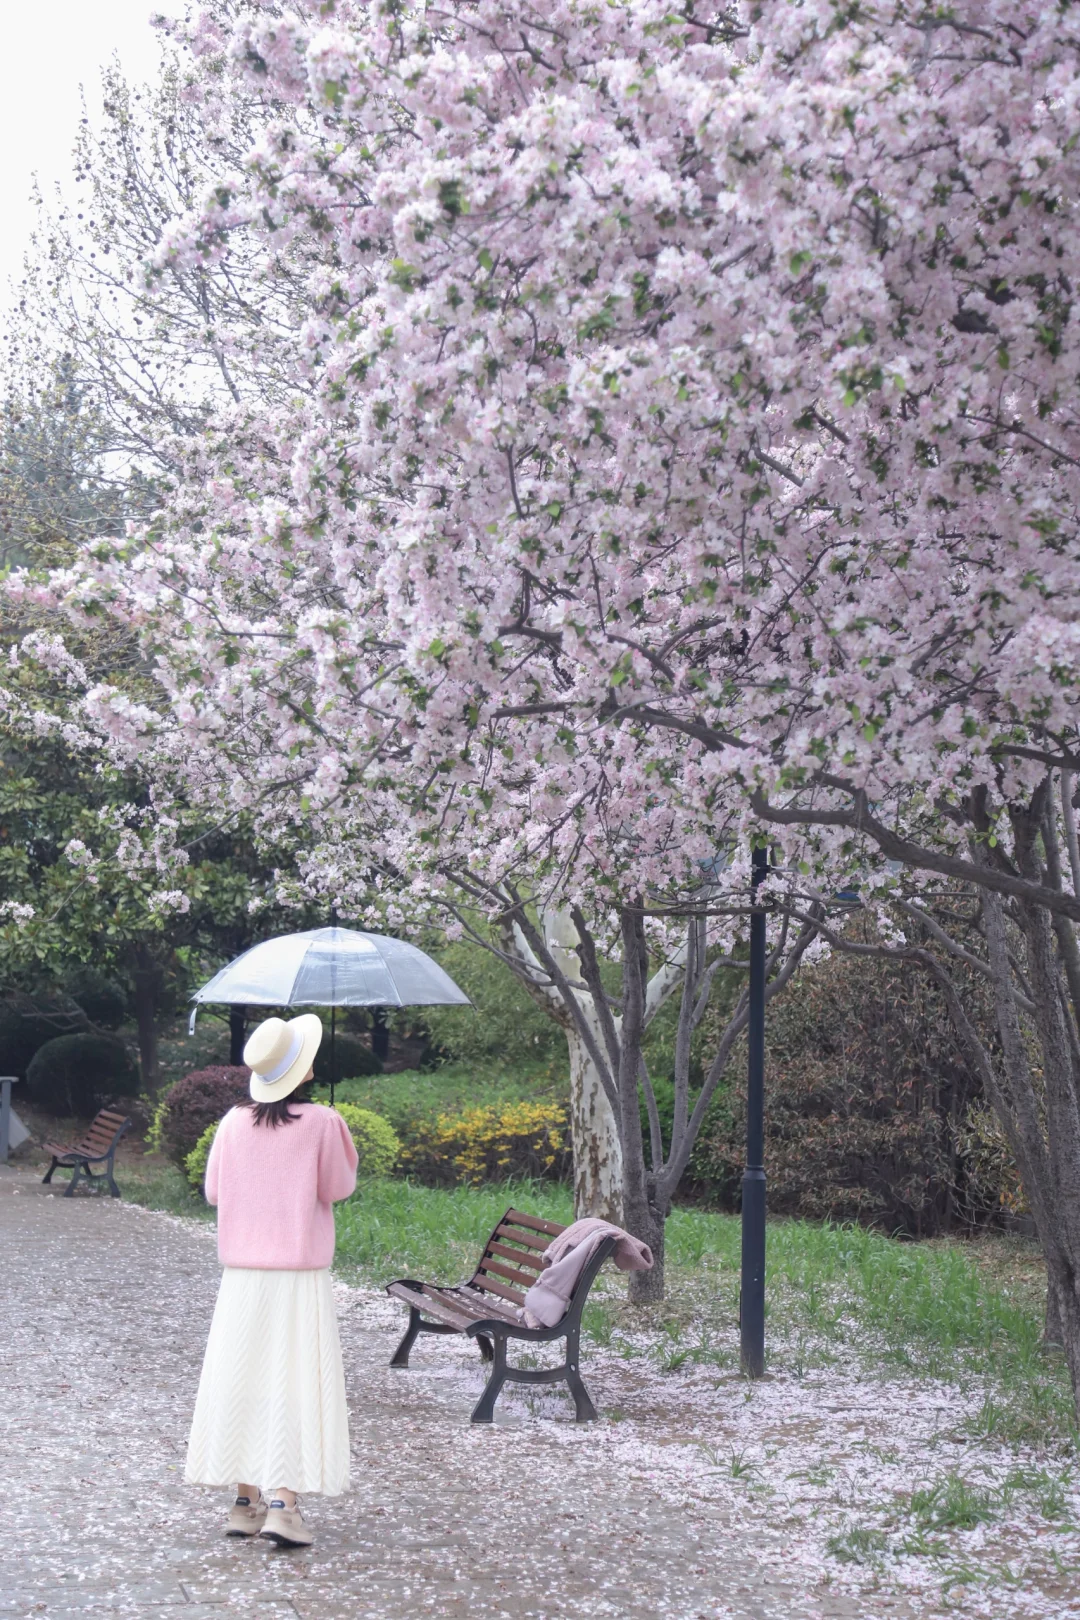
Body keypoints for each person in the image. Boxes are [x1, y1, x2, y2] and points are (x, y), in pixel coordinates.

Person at [184, 1013, 358, 1547]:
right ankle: (284, 1505)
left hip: (242, 1278)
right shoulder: (323, 1121)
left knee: (243, 1379)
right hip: (299, 1277)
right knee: (296, 1382)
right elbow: (338, 1187)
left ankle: (245, 1502)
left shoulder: (233, 1122)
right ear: (303, 1070)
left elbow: (214, 1192)